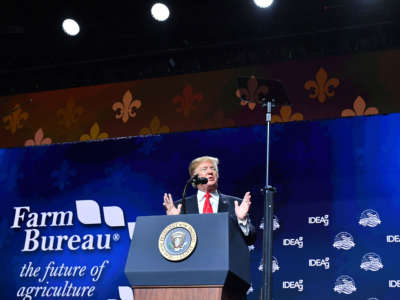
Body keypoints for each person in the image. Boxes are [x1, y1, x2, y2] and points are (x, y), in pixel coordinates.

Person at [163, 156, 256, 245]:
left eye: (213, 169)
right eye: (204, 169)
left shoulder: (236, 204)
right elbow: (173, 244)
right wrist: (172, 222)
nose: (210, 172)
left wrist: (242, 220)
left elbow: (250, 240)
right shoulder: (181, 206)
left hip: (225, 259)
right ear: (194, 177)